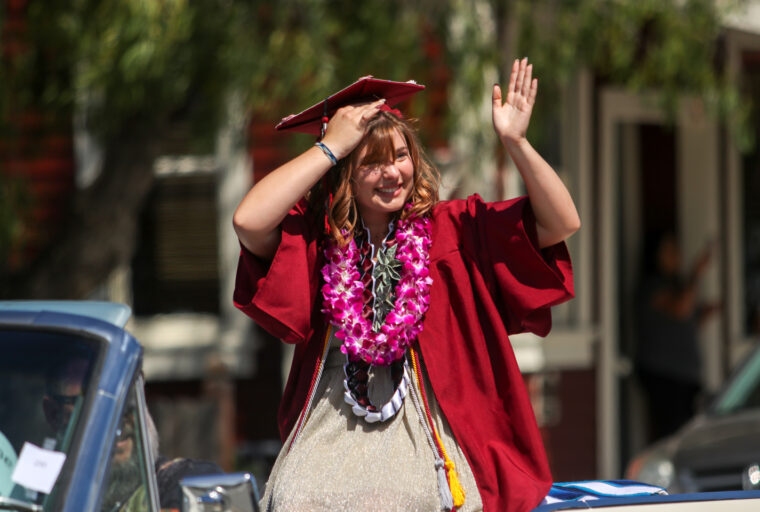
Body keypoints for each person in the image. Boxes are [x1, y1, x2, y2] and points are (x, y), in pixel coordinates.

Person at [233, 59, 579, 512]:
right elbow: (248, 220)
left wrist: (516, 141)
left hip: (427, 424)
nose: (393, 173)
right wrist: (329, 147)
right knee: (297, 497)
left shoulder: (452, 231)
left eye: (400, 156)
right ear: (345, 176)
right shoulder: (319, 242)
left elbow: (561, 223)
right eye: (372, 163)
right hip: (332, 423)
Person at [636, 231, 719, 442]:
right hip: (665, 375)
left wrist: (704, 316)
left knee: (688, 433)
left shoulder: (676, 285)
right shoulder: (651, 287)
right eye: (670, 251)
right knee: (671, 436)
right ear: (655, 255)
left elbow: (685, 324)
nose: (676, 256)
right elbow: (681, 309)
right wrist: (697, 272)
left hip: (685, 375)